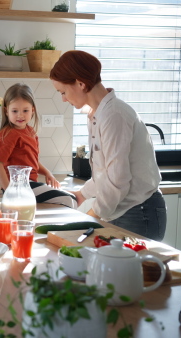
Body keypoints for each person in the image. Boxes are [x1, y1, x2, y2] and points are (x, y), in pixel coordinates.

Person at [50, 50, 166, 241]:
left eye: (63, 92)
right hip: (122, 209)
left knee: (133, 271)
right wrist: (81, 195)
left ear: (80, 83)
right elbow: (105, 172)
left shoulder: (114, 116)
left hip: (139, 212)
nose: (63, 99)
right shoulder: (97, 114)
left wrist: (91, 216)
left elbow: (118, 179)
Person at [0, 83, 77, 208]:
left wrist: (48, 173)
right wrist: (10, 192)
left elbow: (32, 162)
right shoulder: (8, 134)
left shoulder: (30, 132)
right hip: (18, 187)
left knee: (71, 198)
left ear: (33, 110)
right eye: (15, 111)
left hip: (28, 184)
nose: (20, 115)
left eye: (25, 110)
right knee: (70, 199)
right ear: (6, 111)